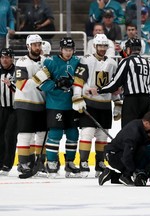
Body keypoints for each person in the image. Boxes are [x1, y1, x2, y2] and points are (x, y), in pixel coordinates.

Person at [72, 34, 120, 178]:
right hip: (89, 103)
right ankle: (83, 162)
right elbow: (78, 81)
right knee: (87, 133)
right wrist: (77, 97)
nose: (102, 49)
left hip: (105, 105)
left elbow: (114, 86)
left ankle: (100, 162)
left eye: (105, 46)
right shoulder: (86, 60)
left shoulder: (112, 63)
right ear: (95, 46)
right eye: (100, 46)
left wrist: (117, 103)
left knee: (101, 137)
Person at [32, 37, 80, 178]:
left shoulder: (77, 61)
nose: (68, 52)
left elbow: (82, 80)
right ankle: (51, 163)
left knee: (73, 134)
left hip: (72, 104)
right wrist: (56, 84)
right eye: (65, 49)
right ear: (60, 49)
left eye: (70, 49)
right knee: (56, 134)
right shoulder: (50, 62)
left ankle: (70, 164)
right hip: (55, 104)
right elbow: (38, 82)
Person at [98, 38, 150, 128]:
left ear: (129, 49)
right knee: (146, 130)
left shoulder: (126, 61)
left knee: (129, 130)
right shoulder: (147, 62)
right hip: (147, 100)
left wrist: (100, 90)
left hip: (132, 101)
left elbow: (115, 82)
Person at [98, 111, 150, 186]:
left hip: (116, 152)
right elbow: (127, 157)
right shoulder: (133, 134)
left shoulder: (140, 125)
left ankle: (110, 174)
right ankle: (125, 176)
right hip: (114, 156)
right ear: (147, 123)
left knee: (140, 152)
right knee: (141, 151)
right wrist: (131, 172)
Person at [14, 34, 47, 176]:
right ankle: (24, 163)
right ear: (28, 46)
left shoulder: (46, 61)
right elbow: (23, 86)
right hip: (24, 104)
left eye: (39, 44)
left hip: (42, 103)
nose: (37, 47)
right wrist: (41, 76)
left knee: (41, 134)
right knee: (25, 134)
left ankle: (39, 163)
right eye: (34, 45)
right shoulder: (22, 62)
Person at [0, 48, 17, 176]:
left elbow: (22, 89)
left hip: (13, 109)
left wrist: (10, 85)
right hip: (1, 108)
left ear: (11, 58)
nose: (5, 59)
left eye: (7, 57)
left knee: (9, 136)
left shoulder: (17, 71)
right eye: (2, 57)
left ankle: (7, 164)